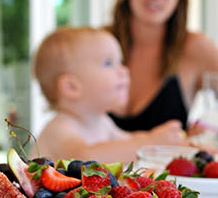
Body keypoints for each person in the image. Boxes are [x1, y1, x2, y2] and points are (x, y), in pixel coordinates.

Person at [107, 0, 218, 133]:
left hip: (169, 163)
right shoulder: (99, 43)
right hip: (92, 163)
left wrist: (207, 130)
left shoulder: (194, 46)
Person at [32, 26, 186, 162]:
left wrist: (163, 140)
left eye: (121, 61)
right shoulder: (60, 127)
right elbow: (84, 158)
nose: (123, 70)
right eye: (108, 63)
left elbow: (130, 141)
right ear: (72, 87)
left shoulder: (103, 122)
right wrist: (152, 142)